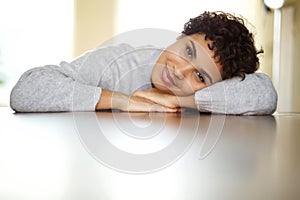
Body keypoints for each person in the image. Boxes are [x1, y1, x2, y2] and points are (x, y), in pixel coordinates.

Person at [10, 11, 277, 115]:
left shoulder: (206, 95)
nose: (180, 71)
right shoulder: (116, 63)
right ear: (179, 38)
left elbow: (264, 94)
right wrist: (120, 100)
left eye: (200, 77)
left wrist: (177, 101)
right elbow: (26, 90)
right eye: (188, 51)